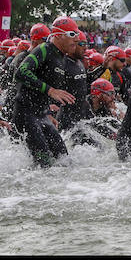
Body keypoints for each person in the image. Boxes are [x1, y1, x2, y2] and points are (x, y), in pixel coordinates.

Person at [12, 16, 79, 167]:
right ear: (59, 35)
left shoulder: (61, 57)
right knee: (43, 163)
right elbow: (21, 72)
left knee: (65, 160)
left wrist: (48, 111)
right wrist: (50, 91)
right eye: (72, 35)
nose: (77, 39)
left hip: (41, 114)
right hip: (25, 113)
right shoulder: (44, 49)